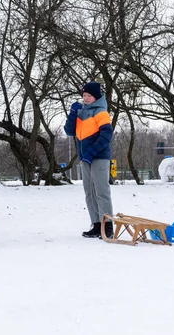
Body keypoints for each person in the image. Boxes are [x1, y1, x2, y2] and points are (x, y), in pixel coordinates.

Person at [64, 81, 114, 239]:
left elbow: (106, 136)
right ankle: (96, 224)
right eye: (84, 95)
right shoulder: (81, 113)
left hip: (99, 156)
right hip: (85, 159)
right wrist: (72, 114)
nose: (85, 98)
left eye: (89, 96)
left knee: (101, 191)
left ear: (96, 97)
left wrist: (92, 152)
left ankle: (108, 226)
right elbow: (69, 131)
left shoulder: (101, 113)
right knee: (89, 192)